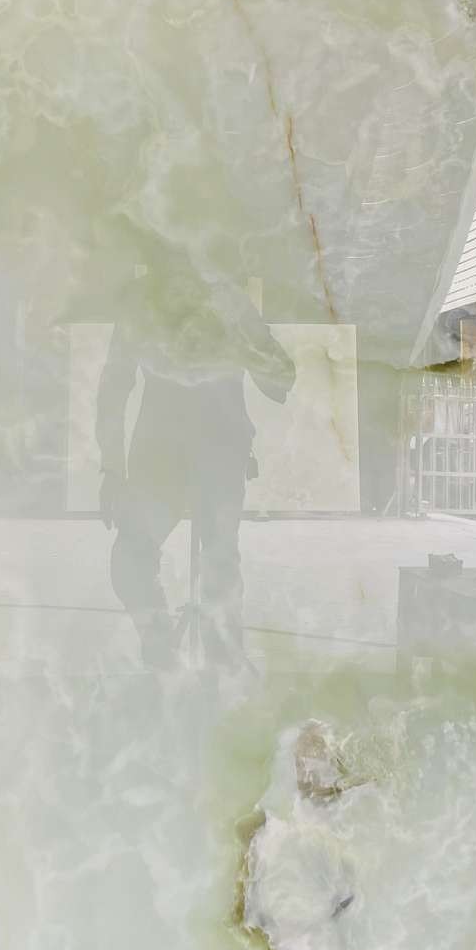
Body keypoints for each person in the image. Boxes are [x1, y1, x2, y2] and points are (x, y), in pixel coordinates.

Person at [95, 275, 295, 668]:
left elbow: (281, 379)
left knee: (220, 563)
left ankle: (223, 656)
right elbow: (113, 386)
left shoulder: (230, 300)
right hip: (158, 458)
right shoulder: (142, 300)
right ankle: (160, 643)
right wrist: (112, 467)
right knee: (130, 558)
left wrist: (241, 344)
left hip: (219, 450)